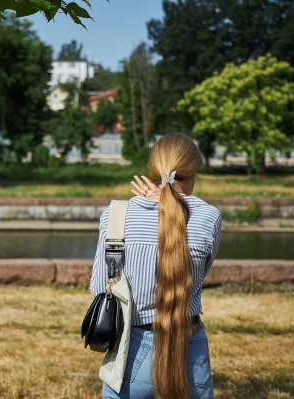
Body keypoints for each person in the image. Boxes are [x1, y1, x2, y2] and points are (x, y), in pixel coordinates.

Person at [89, 133, 222, 399]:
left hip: (132, 349)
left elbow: (100, 288)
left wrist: (155, 202)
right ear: (192, 173)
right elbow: (199, 274)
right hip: (189, 344)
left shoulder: (115, 216)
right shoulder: (209, 216)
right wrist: (164, 202)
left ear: (151, 172)